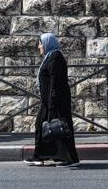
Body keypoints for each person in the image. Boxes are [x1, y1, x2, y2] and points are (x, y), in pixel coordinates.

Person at [24, 33, 79, 167]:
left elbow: (56, 81)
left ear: (48, 43)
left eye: (40, 43)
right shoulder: (50, 57)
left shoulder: (55, 57)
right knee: (43, 127)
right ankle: (41, 156)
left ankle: (70, 159)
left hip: (55, 102)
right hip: (48, 101)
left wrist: (52, 103)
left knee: (60, 128)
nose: (39, 46)